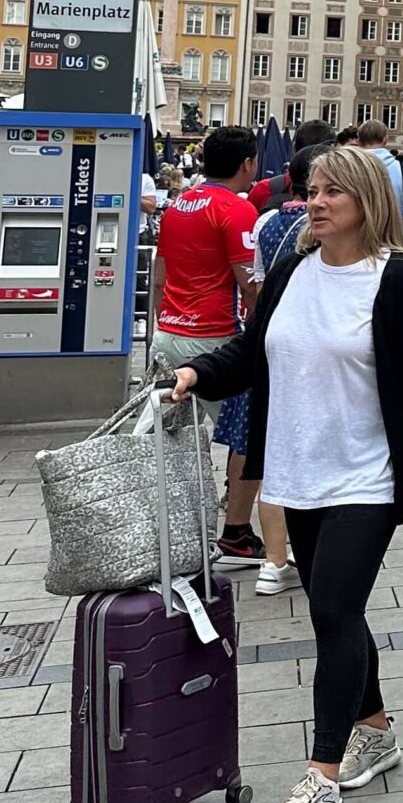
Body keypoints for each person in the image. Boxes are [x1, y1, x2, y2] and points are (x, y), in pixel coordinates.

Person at [169, 144, 403, 803]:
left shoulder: (400, 282)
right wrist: (196, 375)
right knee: (341, 612)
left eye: (333, 193)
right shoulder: (294, 269)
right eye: (312, 190)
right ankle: (376, 730)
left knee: (331, 608)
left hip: (367, 473)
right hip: (297, 470)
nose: (315, 202)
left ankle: (321, 779)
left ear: (367, 203)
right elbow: (251, 351)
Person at [152, 124, 264, 565]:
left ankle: (176, 528)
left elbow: (159, 274)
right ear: (248, 164)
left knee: (178, 437)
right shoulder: (236, 211)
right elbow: (248, 283)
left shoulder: (179, 204)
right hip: (214, 336)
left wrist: (161, 321)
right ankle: (235, 531)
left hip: (170, 331)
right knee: (249, 434)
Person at [356, 120, 403, 231]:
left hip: (355, 234)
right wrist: (398, 214)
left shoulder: (346, 167)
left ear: (359, 141)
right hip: (392, 234)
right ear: (385, 140)